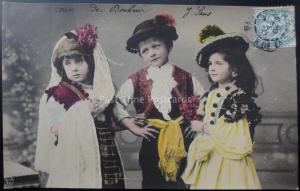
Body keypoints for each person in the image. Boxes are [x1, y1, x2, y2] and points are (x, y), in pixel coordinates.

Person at [113, 13, 204, 189]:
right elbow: (117, 104)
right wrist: (132, 126)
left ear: (168, 46)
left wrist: (196, 121)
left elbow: (205, 101)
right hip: (152, 140)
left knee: (183, 180)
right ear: (140, 55)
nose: (152, 53)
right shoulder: (137, 79)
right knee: (152, 181)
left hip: (183, 140)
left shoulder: (186, 77)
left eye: (156, 46)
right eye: (145, 50)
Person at [34, 23, 125, 188]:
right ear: (62, 66)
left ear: (90, 62)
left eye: (79, 61)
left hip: (105, 151)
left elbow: (109, 123)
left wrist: (127, 124)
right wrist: (82, 110)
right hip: (76, 154)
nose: (74, 68)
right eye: (68, 63)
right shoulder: (59, 93)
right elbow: (55, 128)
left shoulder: (100, 91)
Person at [181, 25, 262, 189]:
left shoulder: (238, 98)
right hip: (209, 156)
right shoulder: (209, 95)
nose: (212, 67)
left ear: (235, 70)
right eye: (210, 63)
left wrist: (203, 127)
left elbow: (236, 134)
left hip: (229, 159)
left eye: (218, 63)